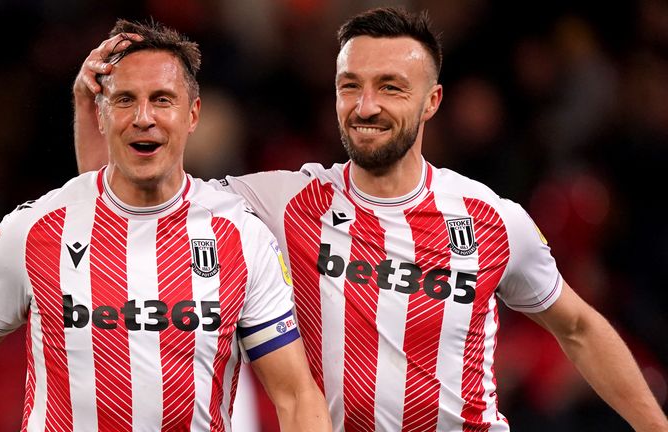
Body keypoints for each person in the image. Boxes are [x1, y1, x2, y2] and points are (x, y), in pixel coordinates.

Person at [72, 8, 668, 432]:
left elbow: (580, 328)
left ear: (431, 101)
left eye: (390, 87)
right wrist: (92, 111)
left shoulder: (491, 217)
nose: (366, 106)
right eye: (350, 86)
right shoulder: (283, 200)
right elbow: (125, 209)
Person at [0, 19, 331, 432]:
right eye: (125, 100)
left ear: (193, 114)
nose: (143, 117)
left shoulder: (242, 236)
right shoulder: (34, 230)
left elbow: (295, 394)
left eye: (162, 99)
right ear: (102, 114)